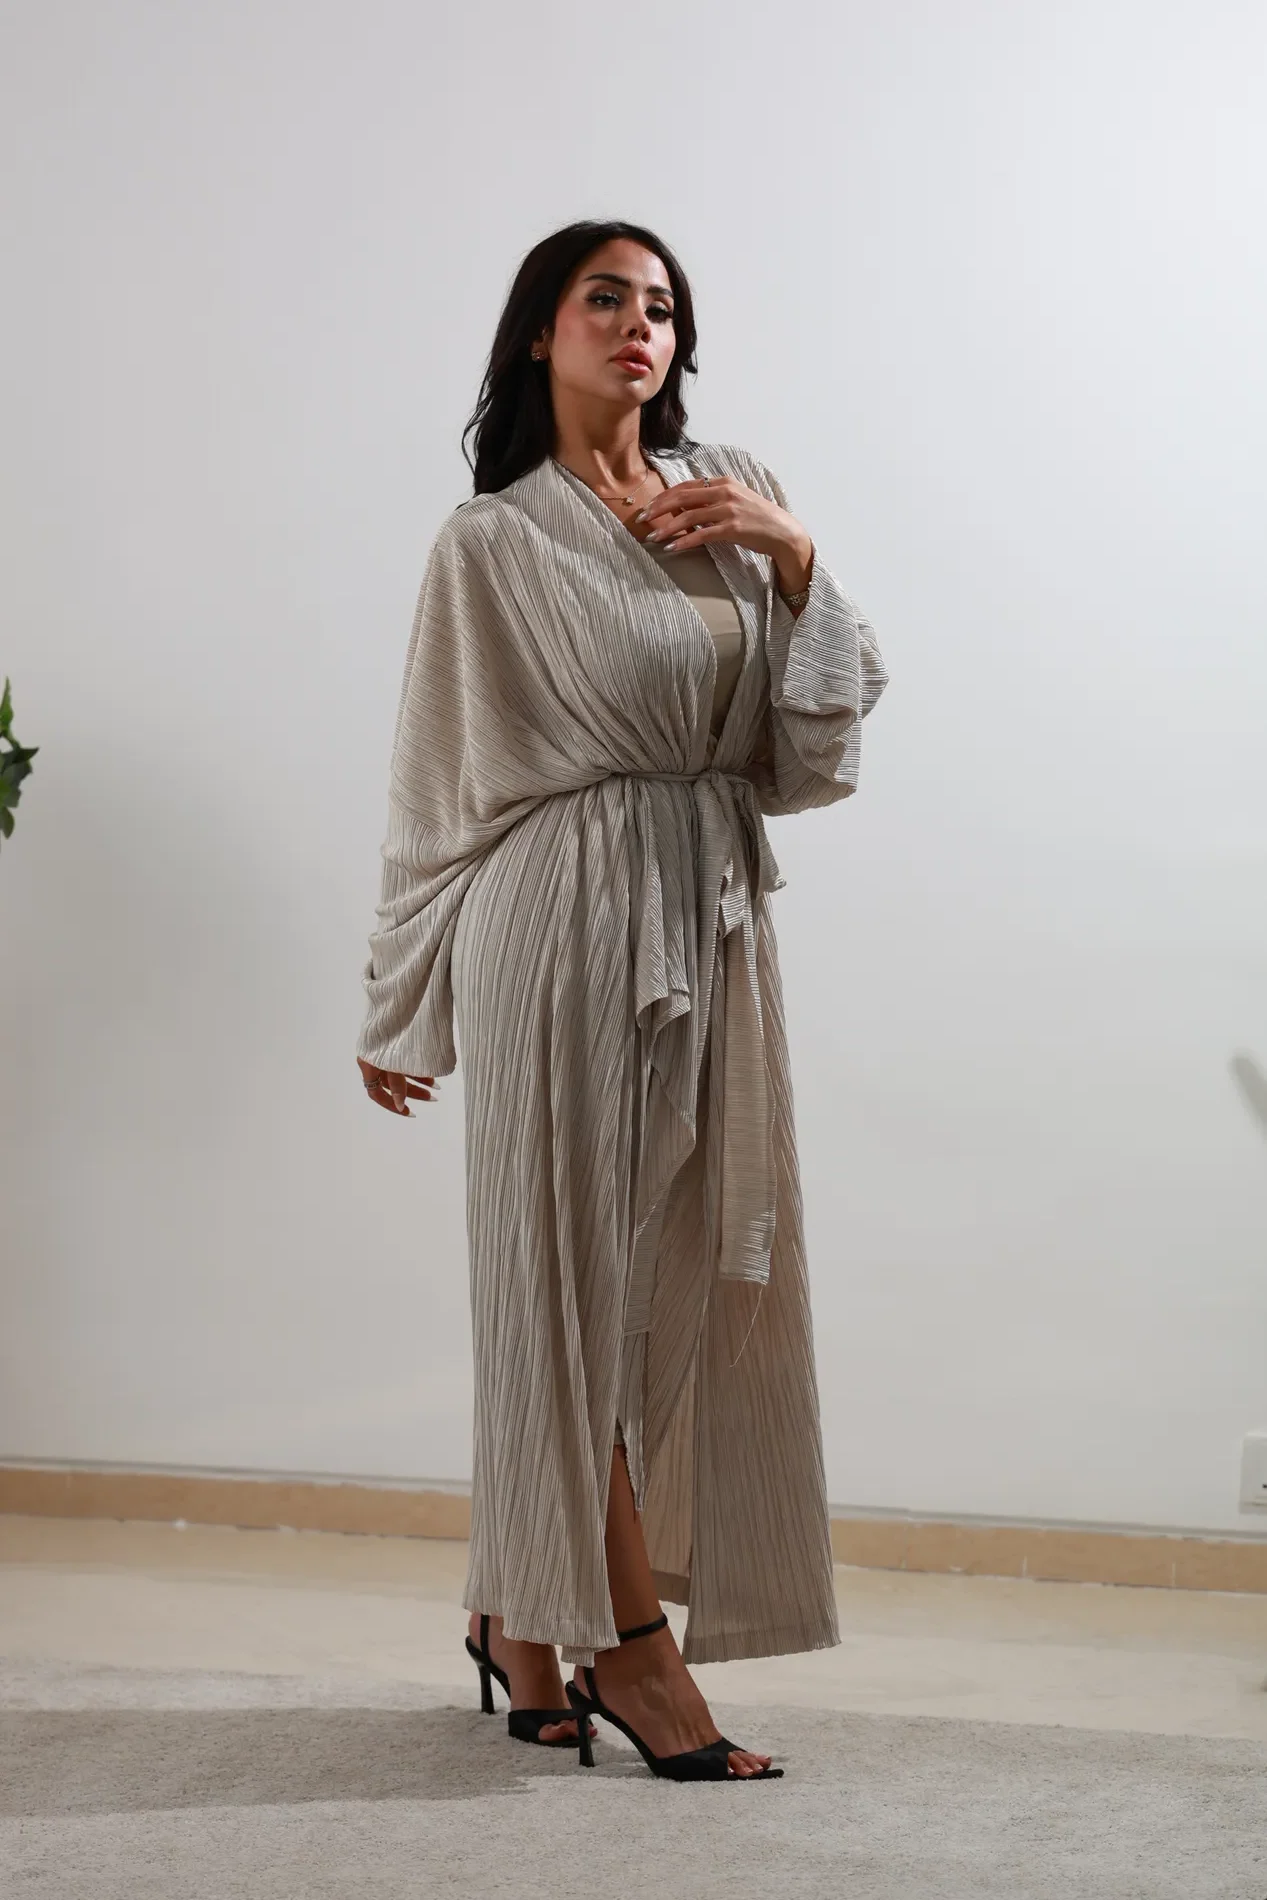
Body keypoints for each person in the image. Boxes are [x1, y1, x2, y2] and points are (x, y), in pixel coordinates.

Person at [356, 219, 888, 1781]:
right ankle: (628, 1651)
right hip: (555, 922)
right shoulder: (493, 542)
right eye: (604, 299)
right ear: (541, 331)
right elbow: (435, 784)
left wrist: (795, 556)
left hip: (710, 912)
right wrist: (400, 994)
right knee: (557, 1286)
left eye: (660, 305)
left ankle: (513, 1612)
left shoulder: (732, 491)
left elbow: (815, 739)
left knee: (673, 1280)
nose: (637, 325)